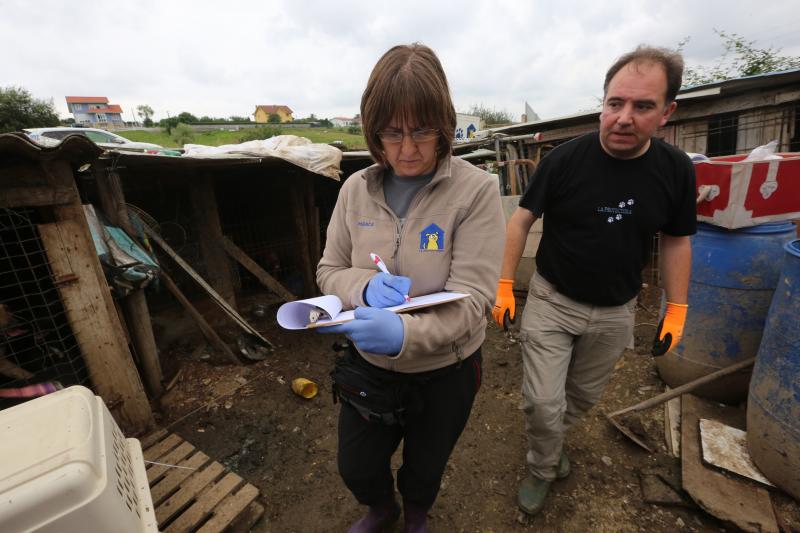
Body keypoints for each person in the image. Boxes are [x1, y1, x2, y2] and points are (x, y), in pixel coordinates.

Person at [492, 45, 696, 516]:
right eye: (615, 103)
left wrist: (678, 307)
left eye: (643, 106)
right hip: (553, 299)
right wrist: (505, 286)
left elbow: (677, 240)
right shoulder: (564, 161)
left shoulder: (674, 171)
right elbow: (520, 221)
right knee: (543, 404)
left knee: (578, 399)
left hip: (615, 311)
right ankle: (542, 467)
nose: (624, 118)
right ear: (602, 103)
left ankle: (551, 443)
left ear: (667, 112)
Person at [316, 43, 505, 533]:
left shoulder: (476, 192)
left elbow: (475, 298)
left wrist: (406, 337)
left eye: (421, 130)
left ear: (443, 123)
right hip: (370, 365)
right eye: (392, 133)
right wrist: (361, 287)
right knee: (355, 464)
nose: (407, 149)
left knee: (426, 462)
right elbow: (329, 269)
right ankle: (380, 509)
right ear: (373, 130)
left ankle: (416, 514)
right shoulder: (355, 188)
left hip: (448, 369)